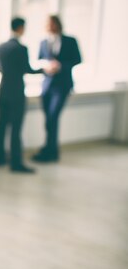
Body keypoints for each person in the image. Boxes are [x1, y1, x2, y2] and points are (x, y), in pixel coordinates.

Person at [0, 17, 43, 174]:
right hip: (16, 93)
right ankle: (16, 163)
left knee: (1, 125)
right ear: (21, 28)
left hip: (3, 91)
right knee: (16, 129)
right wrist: (44, 70)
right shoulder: (21, 49)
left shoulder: (1, 47)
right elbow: (27, 69)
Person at [32, 14, 82, 163]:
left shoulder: (70, 41)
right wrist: (46, 67)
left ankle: (51, 150)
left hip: (62, 85)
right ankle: (50, 150)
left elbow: (77, 59)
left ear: (58, 24)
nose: (49, 26)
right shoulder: (43, 42)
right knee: (48, 119)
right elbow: (40, 59)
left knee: (53, 117)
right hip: (47, 86)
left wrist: (60, 66)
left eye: (52, 23)